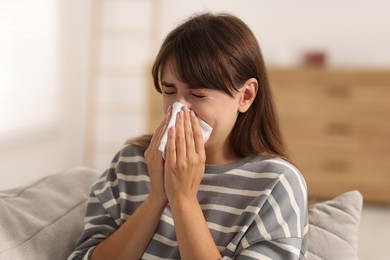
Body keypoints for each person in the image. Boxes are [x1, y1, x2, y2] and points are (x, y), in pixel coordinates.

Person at [68, 12, 308, 260]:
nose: (178, 108)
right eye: (169, 91)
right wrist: (157, 197)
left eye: (198, 94)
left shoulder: (276, 183)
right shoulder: (129, 163)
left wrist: (183, 199)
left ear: (245, 96)